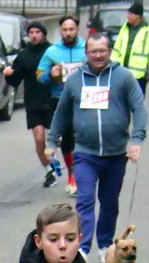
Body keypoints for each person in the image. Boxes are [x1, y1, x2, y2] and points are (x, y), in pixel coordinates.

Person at [43, 34, 148, 263]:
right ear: (86, 54)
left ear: (109, 51)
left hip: (116, 154)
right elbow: (61, 113)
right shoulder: (75, 80)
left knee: (110, 203)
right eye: (93, 51)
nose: (98, 55)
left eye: (102, 50)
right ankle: (82, 248)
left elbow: (139, 108)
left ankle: (104, 245)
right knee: (85, 200)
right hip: (85, 153)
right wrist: (51, 142)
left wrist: (137, 140)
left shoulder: (123, 77)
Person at [37, 15, 86, 195]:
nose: (68, 33)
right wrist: (51, 73)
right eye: (65, 30)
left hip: (84, 99)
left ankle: (84, 174)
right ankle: (72, 174)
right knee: (67, 139)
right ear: (60, 31)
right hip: (60, 99)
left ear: (77, 30)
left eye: (71, 29)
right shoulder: (52, 51)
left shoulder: (86, 48)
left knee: (82, 137)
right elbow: (40, 76)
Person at [4, 21, 56, 187]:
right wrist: (8, 74)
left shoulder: (52, 51)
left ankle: (63, 163)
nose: (34, 35)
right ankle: (50, 170)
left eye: (37, 32)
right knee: (39, 139)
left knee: (56, 139)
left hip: (52, 101)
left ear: (43, 34)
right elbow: (15, 79)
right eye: (31, 32)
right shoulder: (24, 55)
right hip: (33, 103)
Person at [110, 2, 149, 95]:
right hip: (122, 72)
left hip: (139, 75)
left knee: (137, 100)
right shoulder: (124, 28)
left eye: (130, 14)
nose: (128, 16)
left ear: (138, 16)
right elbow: (117, 48)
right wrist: (112, 65)